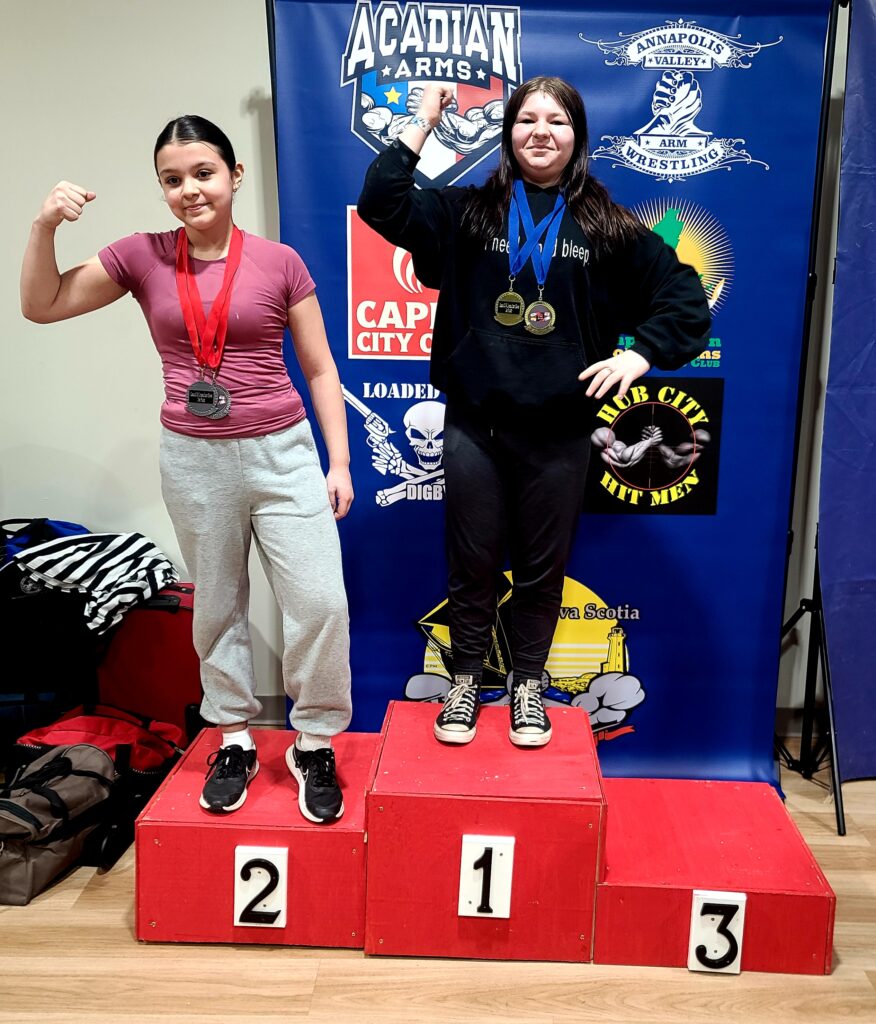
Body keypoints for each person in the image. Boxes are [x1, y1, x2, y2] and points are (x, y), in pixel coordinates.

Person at [358, 77, 710, 749]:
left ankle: (526, 684)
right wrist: (423, 121)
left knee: (542, 572)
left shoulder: (607, 227)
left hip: (560, 432)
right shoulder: (467, 213)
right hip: (475, 425)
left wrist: (642, 355)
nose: (541, 131)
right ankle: (466, 679)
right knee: (472, 566)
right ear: (508, 132)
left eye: (556, 120)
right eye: (527, 119)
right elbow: (382, 200)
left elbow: (685, 296)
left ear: (577, 136)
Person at [20, 115, 353, 823]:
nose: (189, 190)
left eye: (203, 173)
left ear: (234, 175)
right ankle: (232, 737)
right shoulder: (140, 256)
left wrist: (340, 461)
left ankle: (314, 741)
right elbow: (40, 306)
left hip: (283, 450)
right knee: (219, 605)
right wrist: (44, 226)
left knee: (320, 602)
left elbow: (321, 369)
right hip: (196, 458)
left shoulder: (280, 262)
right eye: (172, 180)